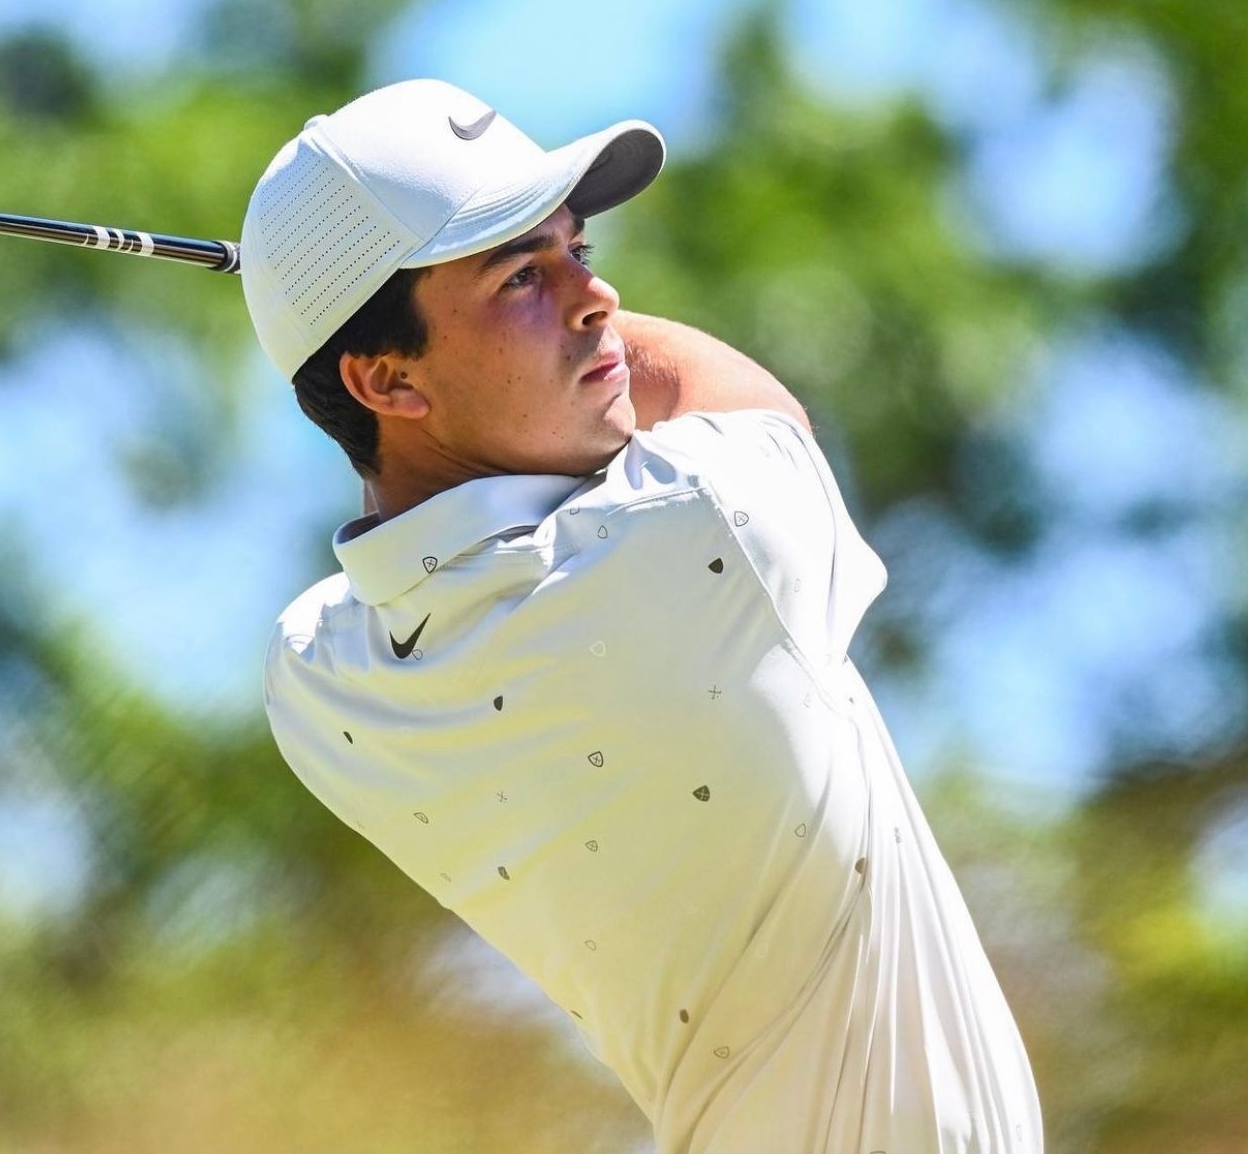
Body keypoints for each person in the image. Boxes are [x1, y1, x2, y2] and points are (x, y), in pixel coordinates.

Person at [239, 78, 1044, 1154]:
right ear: (388, 380)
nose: (597, 295)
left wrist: (352, 308)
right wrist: (343, 301)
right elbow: (717, 387)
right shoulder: (700, 527)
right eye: (524, 274)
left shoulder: (319, 685)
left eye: (580, 246)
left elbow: (404, 513)